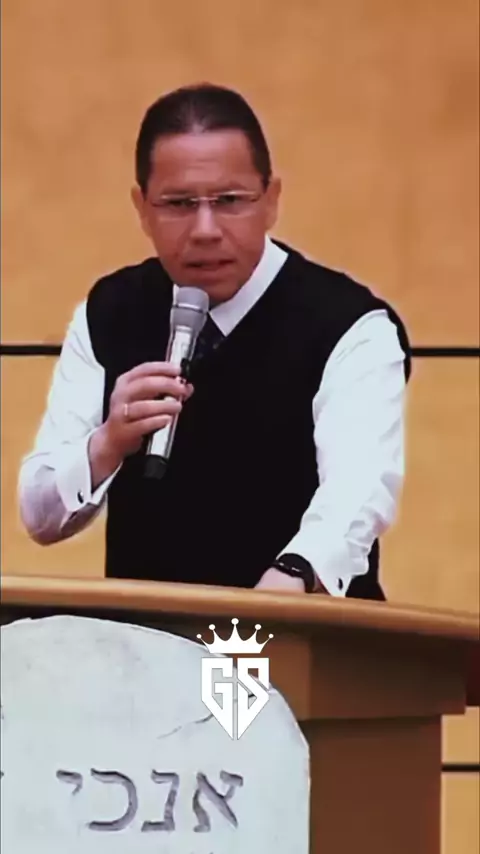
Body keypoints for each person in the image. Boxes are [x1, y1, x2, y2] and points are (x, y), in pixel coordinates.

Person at [18, 82, 411, 600]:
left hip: (296, 634)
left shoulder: (350, 326)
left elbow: (356, 495)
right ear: (142, 208)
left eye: (229, 201)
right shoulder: (109, 310)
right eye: (178, 204)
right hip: (150, 637)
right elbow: (40, 516)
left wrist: (287, 583)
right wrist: (108, 443)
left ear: (271, 200)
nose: (205, 229)